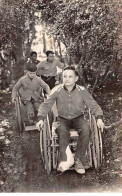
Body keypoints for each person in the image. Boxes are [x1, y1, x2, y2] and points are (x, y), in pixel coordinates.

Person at [36, 66, 104, 174]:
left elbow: (94, 106)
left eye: (70, 76)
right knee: (62, 131)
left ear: (76, 78)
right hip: (62, 119)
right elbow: (45, 105)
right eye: (64, 76)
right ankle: (65, 159)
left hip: (78, 118)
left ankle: (78, 159)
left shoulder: (82, 91)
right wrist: (40, 119)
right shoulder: (57, 91)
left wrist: (99, 118)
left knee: (86, 129)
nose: (67, 79)